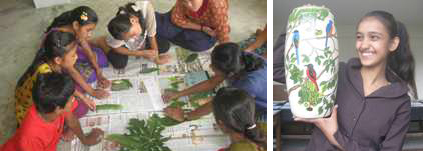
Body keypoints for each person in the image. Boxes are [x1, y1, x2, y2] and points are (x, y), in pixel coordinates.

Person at [296, 10, 417, 150]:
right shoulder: (337, 72)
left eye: (374, 37)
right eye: (359, 37)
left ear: (393, 44)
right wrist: (297, 24)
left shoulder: (401, 103)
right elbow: (276, 70)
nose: (363, 45)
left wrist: (335, 136)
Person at [163, 43, 267, 122]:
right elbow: (212, 82)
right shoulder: (240, 57)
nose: (210, 67)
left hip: (263, 109)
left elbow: (217, 103)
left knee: (231, 119)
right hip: (254, 89)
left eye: (214, 67)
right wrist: (178, 94)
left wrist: (186, 116)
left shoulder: (248, 84)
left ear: (230, 74)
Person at [1, 73, 103, 151]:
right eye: (71, 99)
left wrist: (85, 139)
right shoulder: (30, 137)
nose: (74, 100)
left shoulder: (52, 106)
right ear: (58, 108)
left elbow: (72, 120)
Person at [15, 31, 94, 125]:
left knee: (78, 89)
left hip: (42, 94)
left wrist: (82, 96)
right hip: (31, 108)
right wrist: (78, 98)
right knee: (80, 109)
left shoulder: (51, 61)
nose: (76, 57)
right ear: (58, 60)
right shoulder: (46, 75)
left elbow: (68, 78)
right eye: (73, 55)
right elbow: (54, 103)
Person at [45, 6, 111, 102]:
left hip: (70, 53)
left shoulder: (77, 30)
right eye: (88, 30)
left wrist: (99, 71)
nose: (90, 34)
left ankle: (94, 44)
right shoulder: (62, 37)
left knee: (102, 60)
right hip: (62, 58)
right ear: (76, 25)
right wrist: (92, 91)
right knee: (89, 77)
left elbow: (88, 50)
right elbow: (71, 70)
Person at [99, 1, 171, 69]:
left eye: (133, 34)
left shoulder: (146, 8)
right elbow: (117, 48)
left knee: (164, 45)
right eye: (128, 38)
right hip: (122, 44)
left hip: (143, 37)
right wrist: (141, 53)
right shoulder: (117, 32)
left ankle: (141, 47)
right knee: (119, 64)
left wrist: (157, 59)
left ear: (133, 20)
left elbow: (151, 34)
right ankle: (102, 42)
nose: (135, 38)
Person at [155, 0, 230, 52]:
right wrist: (202, 28)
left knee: (200, 45)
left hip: (208, 29)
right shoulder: (184, 2)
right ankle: (148, 18)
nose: (188, 4)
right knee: (165, 29)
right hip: (187, 22)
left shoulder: (218, 3)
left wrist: (225, 49)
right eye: (185, 1)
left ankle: (171, 35)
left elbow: (222, 29)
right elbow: (177, 18)